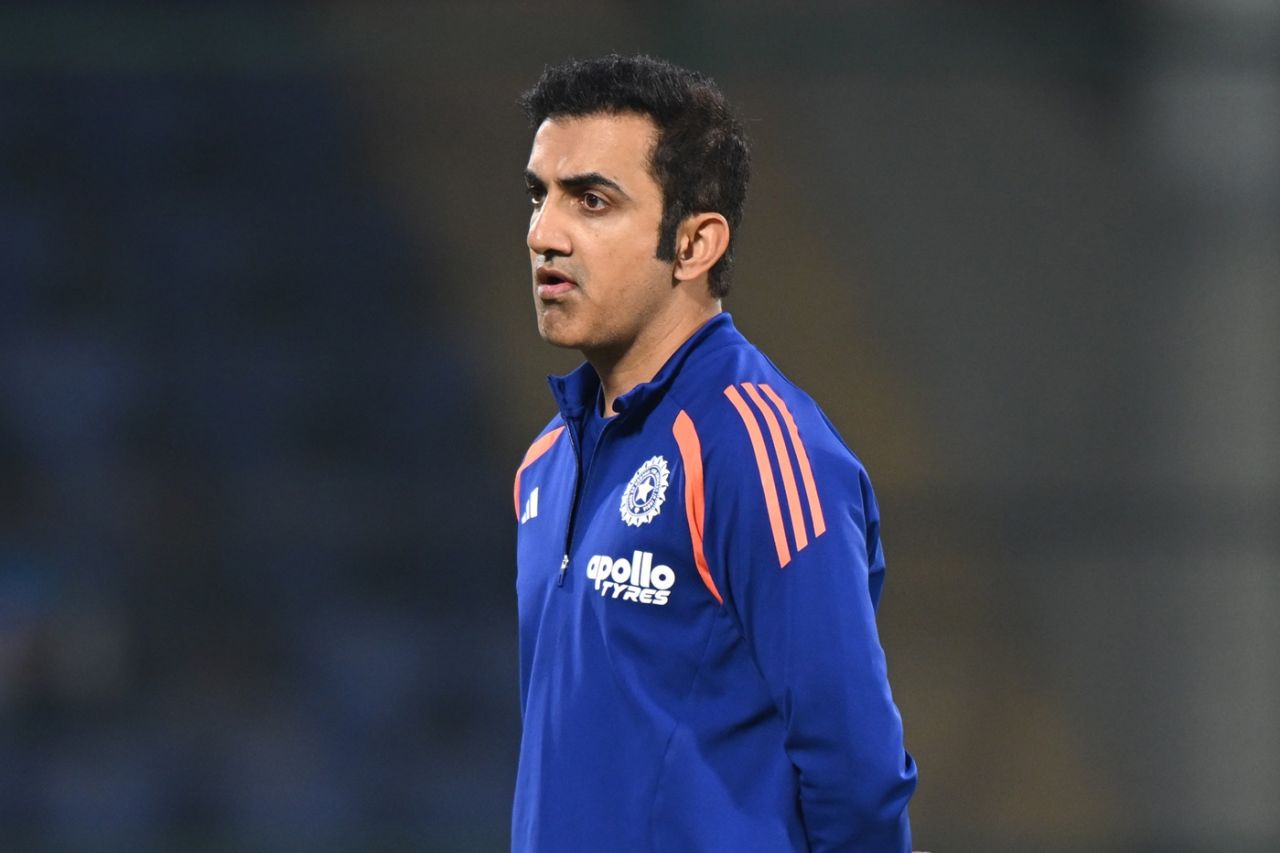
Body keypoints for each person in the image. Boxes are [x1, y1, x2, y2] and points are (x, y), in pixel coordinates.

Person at [511, 54, 917, 852]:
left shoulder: (759, 448)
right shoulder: (546, 462)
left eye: (591, 200)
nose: (542, 234)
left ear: (694, 244)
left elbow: (858, 772)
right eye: (539, 195)